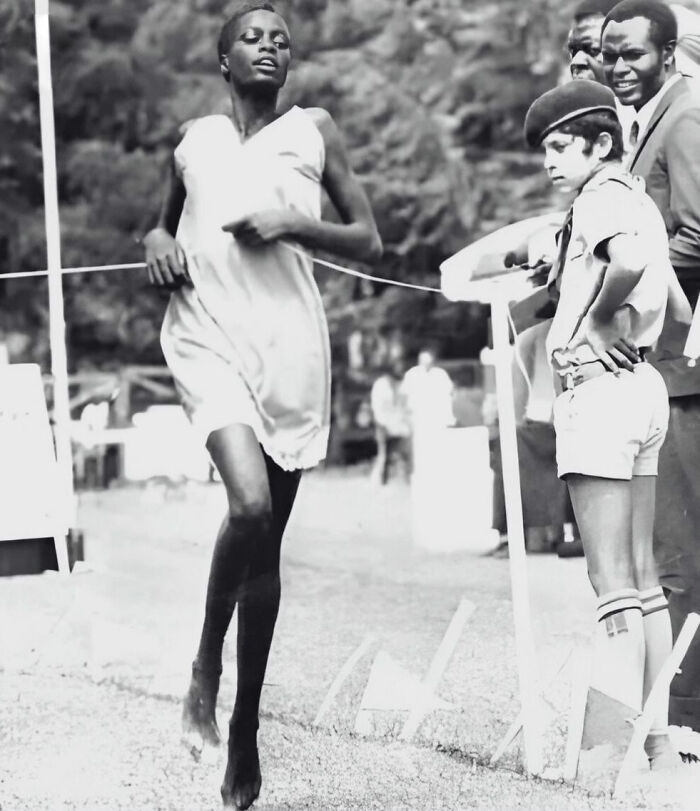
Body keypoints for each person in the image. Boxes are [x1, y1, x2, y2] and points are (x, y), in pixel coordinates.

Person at [143, 3, 382, 808]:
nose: (270, 47)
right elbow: (161, 224)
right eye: (253, 37)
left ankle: (244, 727)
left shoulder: (315, 130)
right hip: (206, 336)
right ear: (222, 59)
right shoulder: (194, 139)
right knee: (247, 506)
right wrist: (154, 241)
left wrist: (291, 220)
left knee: (266, 550)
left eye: (282, 39)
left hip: (290, 349)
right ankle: (207, 663)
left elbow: (369, 238)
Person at [524, 79, 691, 767]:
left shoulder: (597, 199)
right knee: (645, 579)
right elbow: (679, 304)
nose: (551, 162)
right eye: (545, 151)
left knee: (611, 581)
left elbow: (622, 263)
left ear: (599, 144)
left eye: (563, 147)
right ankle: (653, 744)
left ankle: (603, 751)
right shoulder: (640, 202)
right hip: (646, 383)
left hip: (598, 395)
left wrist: (595, 315)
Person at [602, 0, 700, 746]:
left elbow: (697, 230)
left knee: (677, 550)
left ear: (669, 55)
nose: (617, 68)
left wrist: (634, 290)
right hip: (655, 368)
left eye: (632, 55)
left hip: (677, 368)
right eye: (609, 55)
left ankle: (686, 720)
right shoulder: (637, 131)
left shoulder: (685, 119)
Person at [370, 360, 411, 485]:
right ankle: (380, 481)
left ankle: (406, 480)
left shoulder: (402, 385)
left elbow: (405, 406)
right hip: (384, 424)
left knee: (404, 454)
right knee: (384, 455)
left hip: (399, 424)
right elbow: (377, 407)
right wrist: (383, 424)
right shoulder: (381, 385)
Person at [401, 345, 455, 432]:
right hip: (416, 416)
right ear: (419, 361)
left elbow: (449, 393)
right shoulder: (411, 374)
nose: (426, 365)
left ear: (432, 362)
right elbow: (404, 395)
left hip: (436, 416)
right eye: (423, 362)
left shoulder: (440, 374)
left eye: (428, 362)